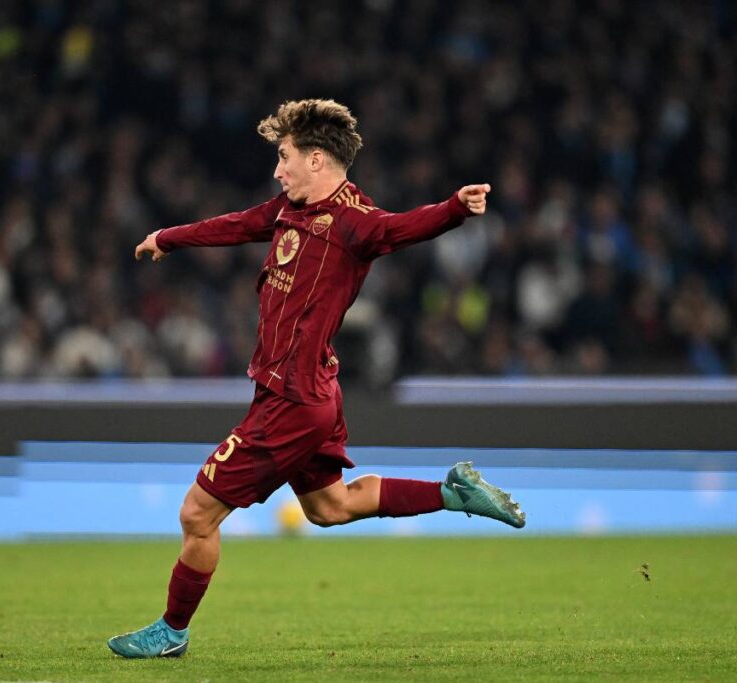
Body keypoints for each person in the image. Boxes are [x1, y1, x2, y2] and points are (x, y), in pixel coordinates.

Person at [109, 99, 524, 659]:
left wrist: (454, 208)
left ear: (316, 160)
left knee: (196, 514)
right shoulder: (290, 210)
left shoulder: (355, 222)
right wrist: (169, 236)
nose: (277, 170)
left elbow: (402, 228)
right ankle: (454, 493)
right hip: (311, 391)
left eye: (284, 157)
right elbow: (237, 225)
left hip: (293, 399)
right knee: (330, 508)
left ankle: (172, 632)